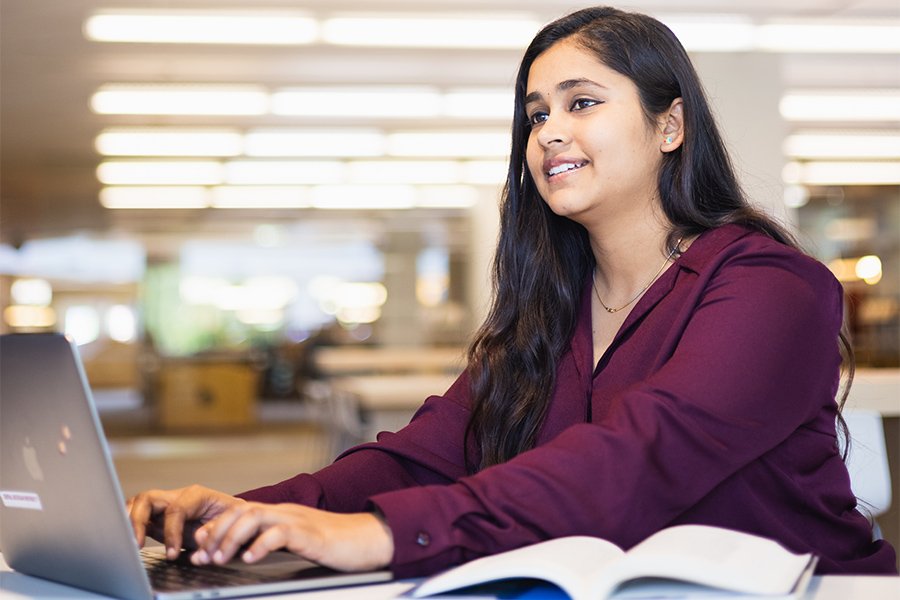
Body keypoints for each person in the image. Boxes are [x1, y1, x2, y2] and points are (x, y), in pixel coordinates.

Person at [128, 6, 898, 578]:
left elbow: (633, 460)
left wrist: (380, 535)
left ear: (670, 127)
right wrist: (250, 511)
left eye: (582, 102)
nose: (549, 133)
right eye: (536, 115)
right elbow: (422, 460)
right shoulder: (549, 312)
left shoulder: (771, 288)